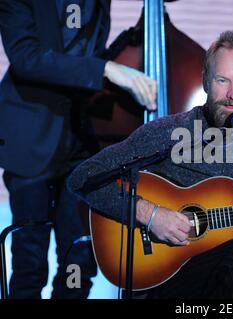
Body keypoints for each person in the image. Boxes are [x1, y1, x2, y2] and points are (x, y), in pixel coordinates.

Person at [67, 30, 233, 299]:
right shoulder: (167, 133)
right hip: (165, 287)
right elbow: (83, 178)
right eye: (222, 80)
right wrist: (150, 214)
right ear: (205, 80)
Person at [0, 0, 156, 298]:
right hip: (32, 138)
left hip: (86, 142)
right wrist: (106, 68)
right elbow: (27, 58)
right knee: (29, 264)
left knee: (80, 261)